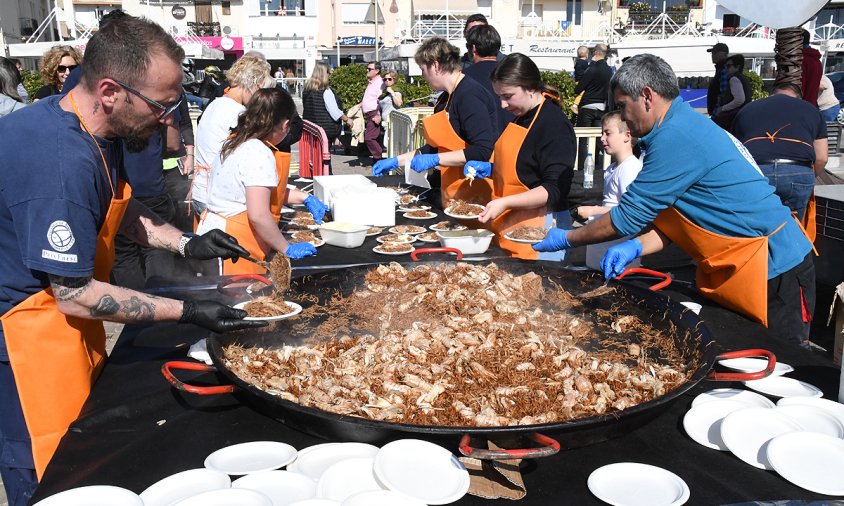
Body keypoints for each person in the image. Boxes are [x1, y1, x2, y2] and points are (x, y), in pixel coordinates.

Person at [0, 16, 266, 506]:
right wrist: (188, 311)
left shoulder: (99, 131)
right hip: (24, 347)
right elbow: (76, 295)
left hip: (65, 328)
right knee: (53, 479)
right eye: (161, 105)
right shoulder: (58, 164)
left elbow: (119, 206)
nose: (168, 118)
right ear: (109, 91)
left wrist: (188, 244)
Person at [532, 53, 815, 350]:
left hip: (776, 267)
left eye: (622, 106)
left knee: (780, 359)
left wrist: (567, 239)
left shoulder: (676, 136)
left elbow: (627, 217)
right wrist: (637, 245)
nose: (623, 117)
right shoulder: (677, 126)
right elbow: (676, 219)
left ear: (646, 96)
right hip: (743, 265)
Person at [462, 53, 575, 260]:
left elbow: (554, 190)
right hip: (511, 228)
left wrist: (505, 203)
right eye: (499, 97)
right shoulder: (520, 117)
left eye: (508, 96)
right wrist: (492, 169)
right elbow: (524, 167)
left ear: (530, 88)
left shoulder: (554, 124)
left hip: (540, 234)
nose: (503, 105)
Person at [197, 88, 323, 272]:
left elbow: (255, 191)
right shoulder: (258, 152)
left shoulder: (235, 141)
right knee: (239, 297)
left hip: (215, 235)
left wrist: (304, 197)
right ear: (285, 124)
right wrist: (285, 247)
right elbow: (258, 215)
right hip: (234, 243)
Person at [372, 37, 499, 208]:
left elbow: (482, 150)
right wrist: (397, 160)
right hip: (453, 191)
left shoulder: (469, 95)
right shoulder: (445, 98)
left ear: (436, 66)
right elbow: (436, 147)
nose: (422, 76)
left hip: (476, 194)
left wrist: (435, 159)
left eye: (423, 69)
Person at [732, 81, 828, 232]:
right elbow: (822, 157)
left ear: (772, 94)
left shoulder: (748, 109)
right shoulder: (811, 110)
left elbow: (736, 150)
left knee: (756, 230)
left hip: (756, 170)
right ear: (798, 98)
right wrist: (805, 176)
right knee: (793, 231)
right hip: (798, 170)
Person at [191, 56, 275, 219]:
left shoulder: (215, 104)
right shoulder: (235, 112)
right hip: (216, 196)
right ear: (253, 83)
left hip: (201, 190)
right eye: (260, 89)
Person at [574, 111, 642, 220]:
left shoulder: (629, 168)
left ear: (627, 135)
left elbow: (630, 210)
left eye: (608, 133)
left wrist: (593, 210)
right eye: (602, 133)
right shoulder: (612, 168)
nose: (602, 138)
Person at [463, 24, 515, 133]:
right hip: (514, 142)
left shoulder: (463, 78)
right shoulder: (514, 74)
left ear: (473, 48)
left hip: (477, 145)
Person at [574, 43, 612, 169]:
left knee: (583, 140)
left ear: (595, 52)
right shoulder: (609, 70)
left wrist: (591, 65)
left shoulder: (592, 68)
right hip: (601, 107)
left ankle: (581, 168)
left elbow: (578, 88)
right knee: (597, 139)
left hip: (587, 107)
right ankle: (599, 165)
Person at [303, 61, 352, 148]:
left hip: (311, 128)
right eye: (328, 72)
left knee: (314, 155)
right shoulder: (326, 91)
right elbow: (334, 112)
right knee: (324, 156)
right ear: (325, 74)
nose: (329, 75)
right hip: (325, 130)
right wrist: (347, 119)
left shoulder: (307, 90)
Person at [711, 53, 751, 130]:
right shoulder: (743, 78)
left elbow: (740, 99)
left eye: (729, 66)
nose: (727, 69)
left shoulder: (734, 79)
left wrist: (723, 108)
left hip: (733, 117)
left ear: (737, 67)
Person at [360, 61, 384, 162]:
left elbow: (381, 100)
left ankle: (379, 159)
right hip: (370, 114)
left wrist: (378, 115)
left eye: (369, 69)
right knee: (373, 138)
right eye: (367, 68)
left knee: (369, 138)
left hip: (374, 113)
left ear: (377, 71)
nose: (367, 70)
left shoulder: (379, 83)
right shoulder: (372, 82)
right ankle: (377, 159)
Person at [706, 42, 729, 117]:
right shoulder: (721, 69)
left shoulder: (724, 70)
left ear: (724, 54)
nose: (712, 55)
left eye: (715, 53)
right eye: (712, 53)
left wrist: (716, 113)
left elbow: (724, 95)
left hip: (720, 115)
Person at [801, 29, 822, 108]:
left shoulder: (803, 60)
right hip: (811, 103)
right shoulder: (817, 60)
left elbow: (800, 87)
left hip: (801, 105)